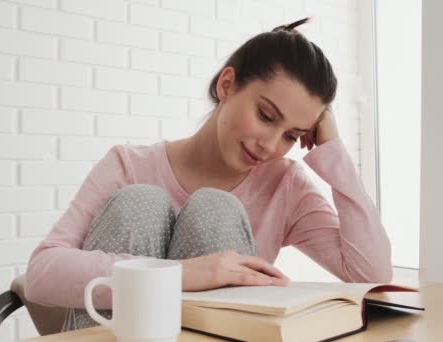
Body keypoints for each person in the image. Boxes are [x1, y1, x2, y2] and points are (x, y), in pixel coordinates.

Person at [24, 17, 393, 331]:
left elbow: (371, 274)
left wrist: (334, 153)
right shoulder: (128, 165)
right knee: (143, 201)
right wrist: (181, 273)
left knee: (215, 209)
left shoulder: (286, 185)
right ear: (227, 85)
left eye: (291, 136)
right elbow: (42, 273)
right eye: (266, 116)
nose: (269, 145)